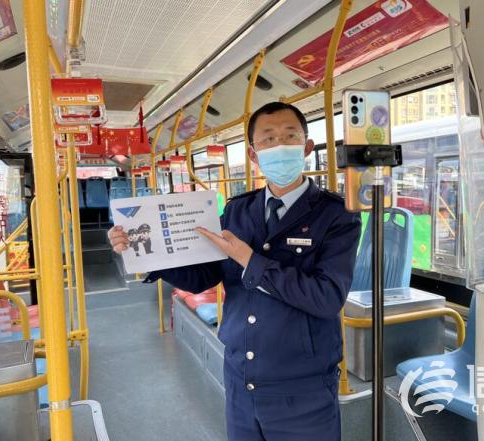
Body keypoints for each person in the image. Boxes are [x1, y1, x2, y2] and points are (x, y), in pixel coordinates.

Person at [108, 102, 361, 441]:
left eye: (290, 136)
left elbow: (326, 297)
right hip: (241, 378)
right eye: (268, 139)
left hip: (302, 385)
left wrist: (250, 260)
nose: (280, 145)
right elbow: (203, 276)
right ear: (254, 155)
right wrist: (146, 252)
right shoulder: (238, 211)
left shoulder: (337, 215)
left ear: (307, 147)